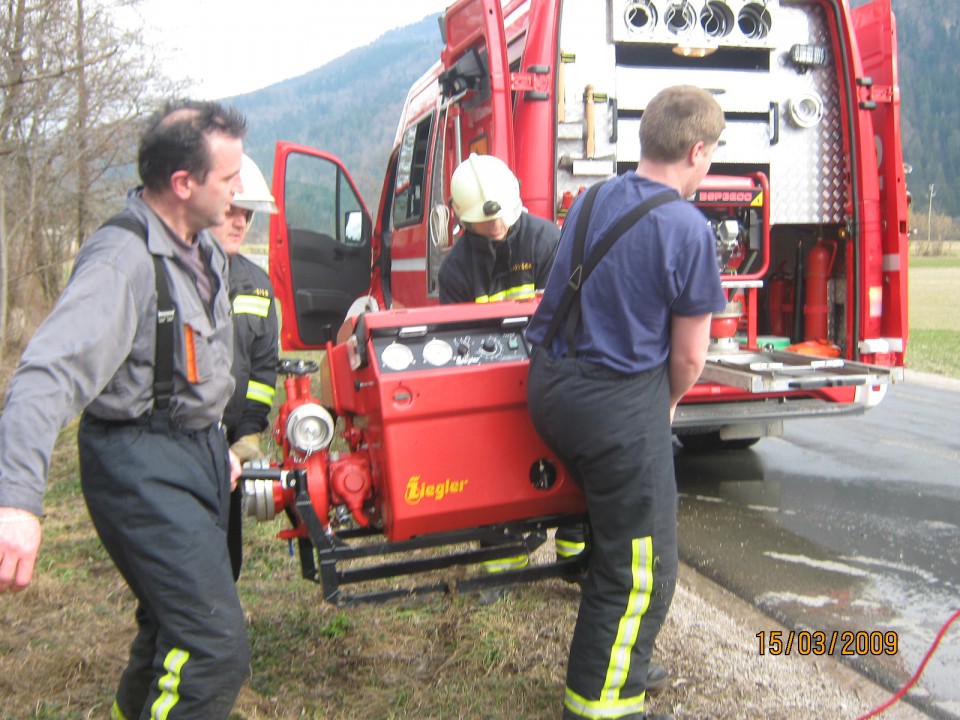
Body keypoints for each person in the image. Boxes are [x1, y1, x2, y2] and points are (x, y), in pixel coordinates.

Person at [0, 99, 250, 719]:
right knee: (213, 647)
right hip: (138, 463)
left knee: (170, 623)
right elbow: (44, 374)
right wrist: (16, 501)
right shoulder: (122, 262)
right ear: (182, 183)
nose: (238, 192)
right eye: (228, 179)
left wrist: (216, 443)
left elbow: (200, 367)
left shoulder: (205, 251)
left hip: (195, 454)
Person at [524, 85, 727, 720]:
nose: (709, 165)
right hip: (616, 408)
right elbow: (690, 357)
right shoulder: (688, 228)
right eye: (712, 155)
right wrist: (660, 407)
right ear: (696, 150)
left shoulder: (592, 199)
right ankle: (604, 702)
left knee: (617, 538)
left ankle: (625, 659)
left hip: (551, 387)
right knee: (641, 568)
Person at [210, 153, 280, 580]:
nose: (239, 222)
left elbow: (263, 366)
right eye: (230, 211)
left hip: (230, 450)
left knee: (226, 558)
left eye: (247, 215)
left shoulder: (257, 283)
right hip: (184, 445)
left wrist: (250, 430)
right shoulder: (178, 277)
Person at [438, 152, 559, 305]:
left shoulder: (546, 242)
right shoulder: (455, 270)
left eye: (502, 216)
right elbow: (456, 327)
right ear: (464, 220)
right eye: (484, 221)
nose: (495, 226)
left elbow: (557, 314)